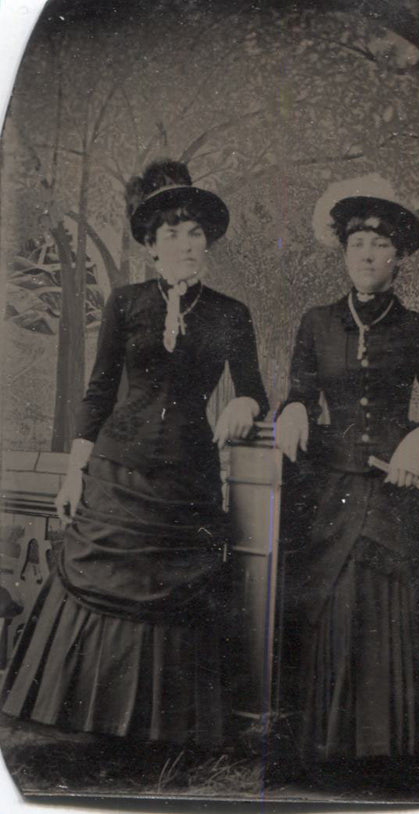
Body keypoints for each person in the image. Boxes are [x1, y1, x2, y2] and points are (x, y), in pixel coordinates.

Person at [1, 160, 268, 767]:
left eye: (194, 232)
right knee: (101, 582)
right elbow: (98, 392)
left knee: (174, 595)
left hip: (188, 476)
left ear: (208, 244)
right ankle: (84, 720)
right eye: (171, 233)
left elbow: (255, 388)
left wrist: (246, 404)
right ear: (150, 247)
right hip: (116, 470)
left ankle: (161, 732)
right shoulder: (125, 304)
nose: (185, 243)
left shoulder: (231, 314)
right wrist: (74, 471)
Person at [275, 178, 419, 776]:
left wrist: (418, 437)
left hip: (396, 484)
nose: (366, 254)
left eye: (379, 246)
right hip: (331, 480)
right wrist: (296, 408)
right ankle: (328, 748)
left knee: (388, 592)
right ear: (343, 253)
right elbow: (301, 389)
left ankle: (393, 749)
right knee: (328, 594)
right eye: (357, 242)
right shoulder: (316, 322)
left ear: (398, 259)